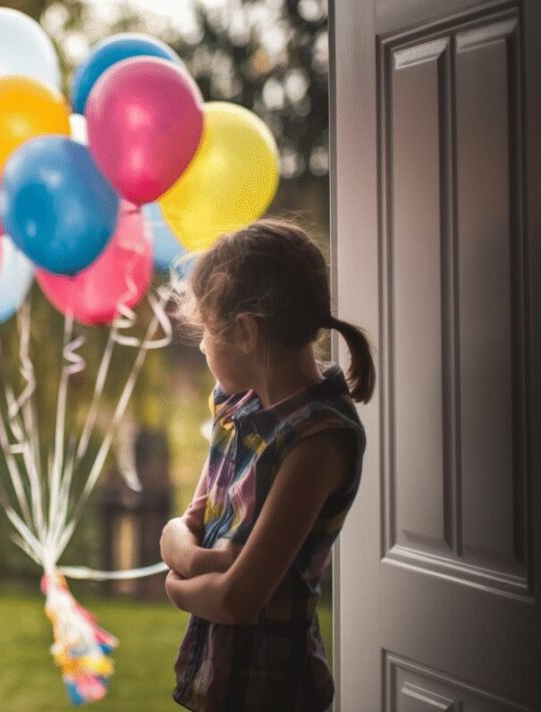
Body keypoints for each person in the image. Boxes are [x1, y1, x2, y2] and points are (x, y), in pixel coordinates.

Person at [159, 218, 374, 711]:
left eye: (209, 332)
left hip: (272, 692)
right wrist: (198, 562)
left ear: (246, 333)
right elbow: (185, 527)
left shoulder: (317, 440)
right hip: (217, 679)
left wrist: (178, 585)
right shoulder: (238, 407)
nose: (204, 346)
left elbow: (238, 600)